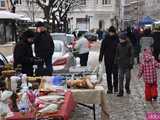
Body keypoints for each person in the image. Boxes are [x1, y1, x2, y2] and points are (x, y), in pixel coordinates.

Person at [99, 26, 119, 94]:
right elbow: (102, 49)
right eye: (110, 32)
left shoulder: (117, 39)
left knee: (115, 74)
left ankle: (116, 87)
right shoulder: (105, 39)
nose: (111, 34)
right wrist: (100, 58)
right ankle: (110, 88)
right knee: (108, 74)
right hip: (107, 59)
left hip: (116, 59)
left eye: (112, 32)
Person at [115, 32, 134, 97]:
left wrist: (131, 62)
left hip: (127, 64)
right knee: (120, 78)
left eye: (120, 38)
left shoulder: (129, 45)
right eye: (119, 38)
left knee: (128, 77)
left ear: (124, 39)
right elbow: (116, 54)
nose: (119, 39)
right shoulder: (118, 45)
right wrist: (116, 61)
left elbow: (132, 55)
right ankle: (121, 91)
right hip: (120, 64)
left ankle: (127, 86)